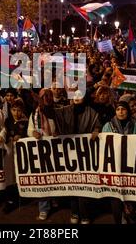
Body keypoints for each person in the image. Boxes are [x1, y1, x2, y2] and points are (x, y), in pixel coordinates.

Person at [55, 90, 101, 224]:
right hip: (69, 153)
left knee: (83, 183)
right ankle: (74, 212)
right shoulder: (65, 110)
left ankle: (85, 214)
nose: (76, 97)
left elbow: (97, 125)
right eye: (74, 95)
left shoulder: (91, 112)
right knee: (72, 183)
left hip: (85, 153)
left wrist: (97, 130)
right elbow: (54, 117)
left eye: (79, 95)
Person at [102, 101, 136, 224]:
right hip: (115, 167)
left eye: (123, 109)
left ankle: (130, 214)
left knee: (131, 193)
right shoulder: (108, 126)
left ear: (128, 111)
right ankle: (118, 219)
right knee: (116, 197)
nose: (121, 112)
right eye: (118, 109)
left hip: (131, 166)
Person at [27, 89, 57, 221]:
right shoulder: (34, 113)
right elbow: (29, 129)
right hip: (40, 151)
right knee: (42, 179)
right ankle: (43, 208)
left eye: (49, 96)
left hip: (56, 150)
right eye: (44, 96)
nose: (47, 98)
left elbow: (64, 126)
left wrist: (59, 132)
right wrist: (33, 133)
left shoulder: (58, 111)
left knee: (55, 177)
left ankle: (54, 199)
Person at [0, 98, 28, 213]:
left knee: (18, 176)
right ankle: (10, 200)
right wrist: (2, 136)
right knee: (9, 176)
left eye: (19, 110)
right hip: (9, 153)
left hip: (21, 154)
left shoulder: (26, 122)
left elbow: (29, 135)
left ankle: (20, 197)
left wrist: (21, 138)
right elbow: (4, 131)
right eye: (14, 110)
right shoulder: (8, 121)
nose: (16, 113)